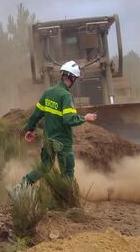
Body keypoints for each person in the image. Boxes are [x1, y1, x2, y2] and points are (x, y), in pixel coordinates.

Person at [18, 60, 97, 188]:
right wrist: (85, 118)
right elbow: (69, 119)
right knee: (67, 172)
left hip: (48, 139)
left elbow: (36, 114)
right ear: (72, 78)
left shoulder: (48, 92)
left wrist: (30, 129)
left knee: (45, 166)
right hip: (62, 142)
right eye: (75, 78)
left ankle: (23, 186)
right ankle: (65, 198)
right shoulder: (66, 96)